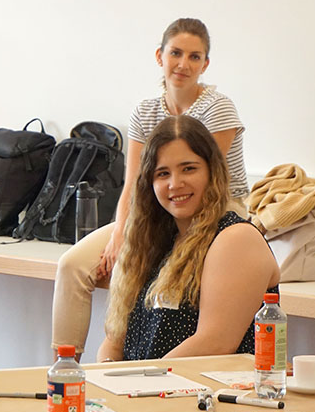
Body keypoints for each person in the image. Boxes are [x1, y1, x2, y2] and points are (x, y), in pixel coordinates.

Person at [52, 18, 249, 359]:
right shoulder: (145, 111)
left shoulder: (218, 107)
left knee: (162, 269)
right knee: (72, 264)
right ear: (160, 56)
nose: (184, 64)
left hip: (219, 207)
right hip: (161, 207)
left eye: (194, 56)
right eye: (176, 53)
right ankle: (63, 370)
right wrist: (119, 237)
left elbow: (203, 183)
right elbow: (134, 184)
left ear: (205, 64)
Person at [96, 116, 279, 361]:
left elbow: (215, 342)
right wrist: (106, 381)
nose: (175, 183)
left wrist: (138, 384)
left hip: (199, 394)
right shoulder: (152, 242)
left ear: (212, 172)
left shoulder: (235, 238)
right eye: (162, 173)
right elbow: (114, 342)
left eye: (189, 168)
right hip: (143, 392)